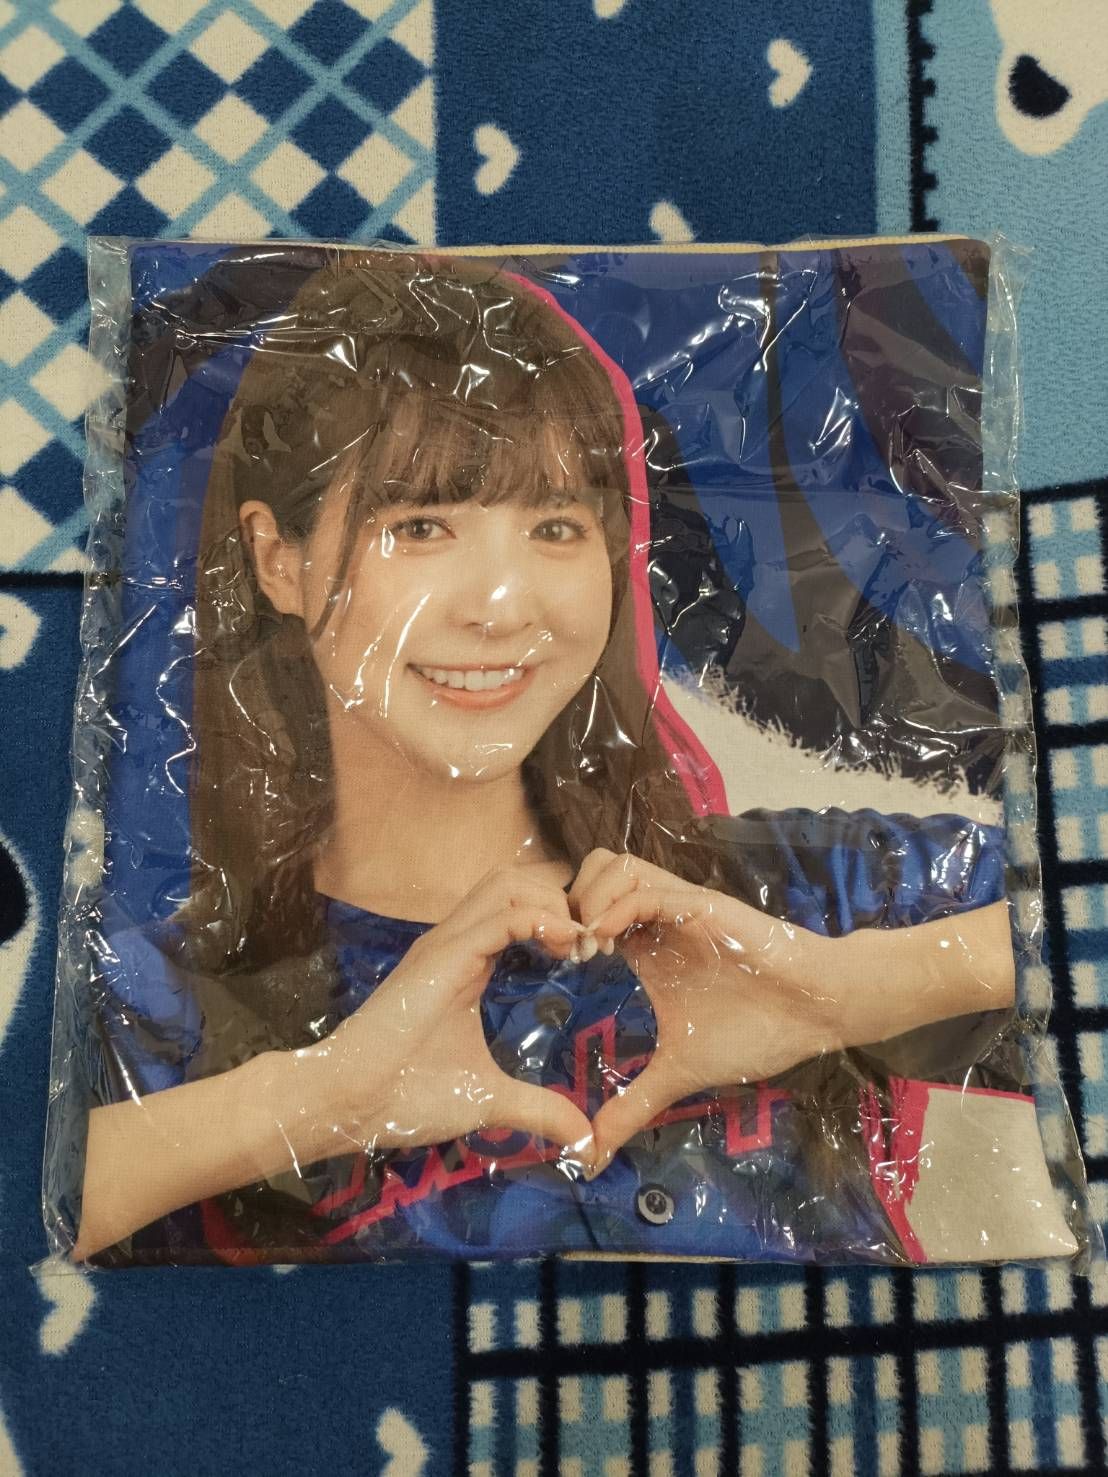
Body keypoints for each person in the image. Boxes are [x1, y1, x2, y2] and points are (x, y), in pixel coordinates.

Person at [73, 250, 1028, 1266]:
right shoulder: (176, 994)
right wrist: (312, 1100)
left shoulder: (786, 894)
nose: (501, 606)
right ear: (279, 558)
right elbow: (36, 1216)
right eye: (422, 525)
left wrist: (836, 989)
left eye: (557, 526)